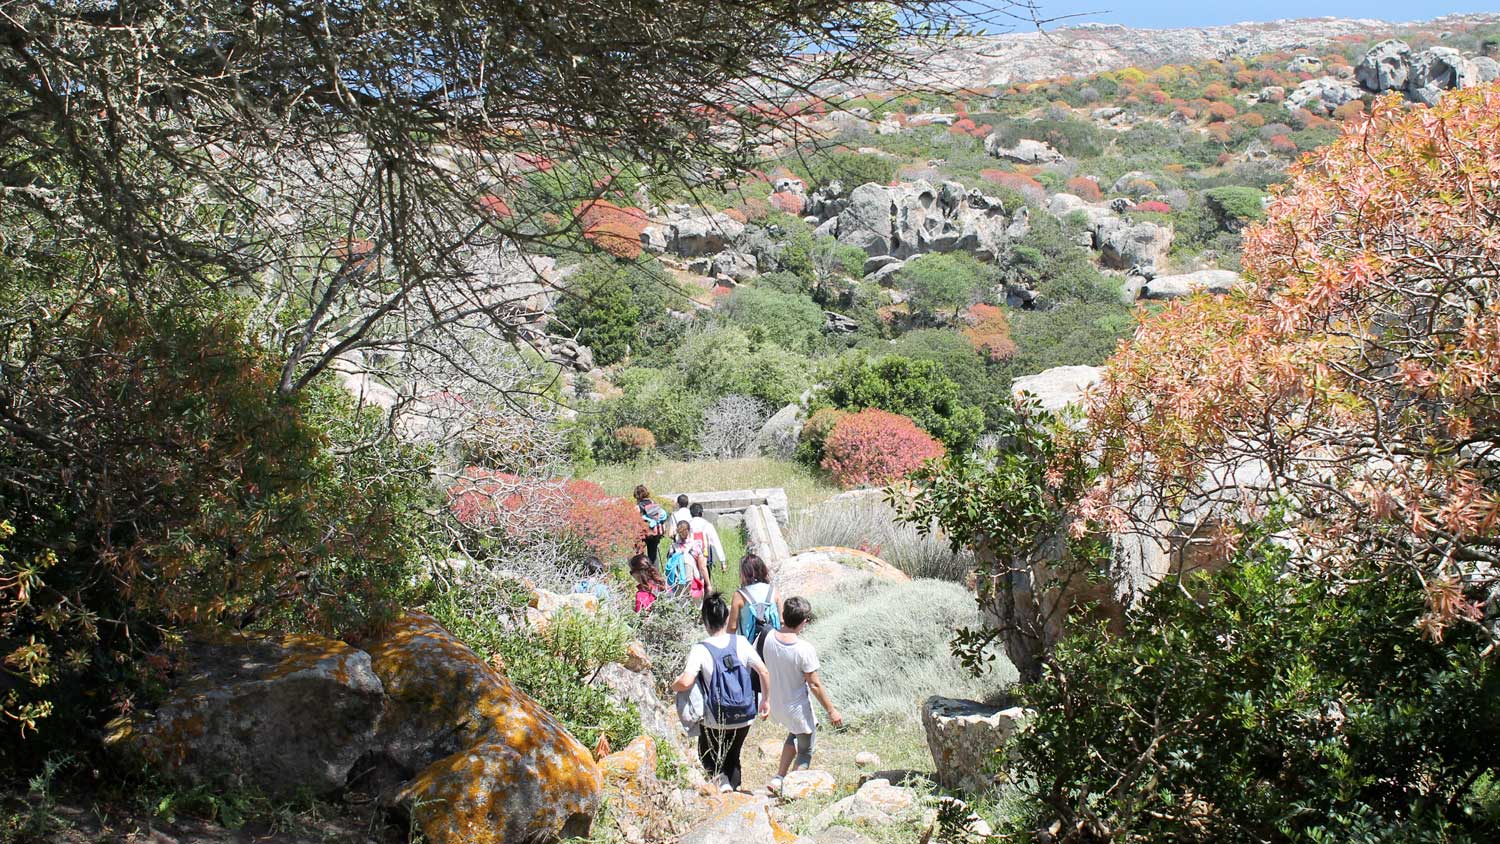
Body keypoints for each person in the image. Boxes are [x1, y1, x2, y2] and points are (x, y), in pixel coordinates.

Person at [671, 593, 770, 793]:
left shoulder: (700, 649)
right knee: (733, 756)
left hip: (715, 718)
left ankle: (723, 788)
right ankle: (734, 790)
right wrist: (766, 700)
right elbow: (763, 671)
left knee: (707, 754)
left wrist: (674, 686)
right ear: (726, 618)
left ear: (705, 622)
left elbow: (687, 681)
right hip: (744, 714)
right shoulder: (741, 642)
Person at [762, 596, 844, 796]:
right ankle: (793, 789)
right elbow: (814, 684)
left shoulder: (768, 636)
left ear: (784, 615)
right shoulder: (803, 649)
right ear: (804, 622)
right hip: (797, 707)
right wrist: (831, 711)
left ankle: (779, 777)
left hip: (777, 703)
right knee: (805, 749)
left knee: (794, 733)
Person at [729, 554, 781, 644]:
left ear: (744, 573)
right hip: (773, 644)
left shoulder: (740, 595)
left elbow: (732, 627)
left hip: (749, 647)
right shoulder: (773, 591)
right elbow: (782, 620)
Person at [665, 519, 709, 599]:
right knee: (694, 608)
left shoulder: (673, 548)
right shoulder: (695, 546)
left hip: (676, 585)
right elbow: (702, 567)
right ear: (689, 530)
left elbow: (669, 566)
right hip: (694, 584)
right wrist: (708, 585)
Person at [634, 485, 670, 567]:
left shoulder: (638, 507)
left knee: (640, 555)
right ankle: (655, 574)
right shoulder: (653, 504)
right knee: (653, 556)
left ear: (637, 496)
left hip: (643, 535)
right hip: (654, 533)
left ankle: (644, 573)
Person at [688, 503, 728, 572]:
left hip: (690, 559)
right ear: (701, 513)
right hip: (705, 558)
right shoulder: (707, 525)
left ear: (690, 513)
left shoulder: (687, 525)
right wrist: (722, 561)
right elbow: (716, 542)